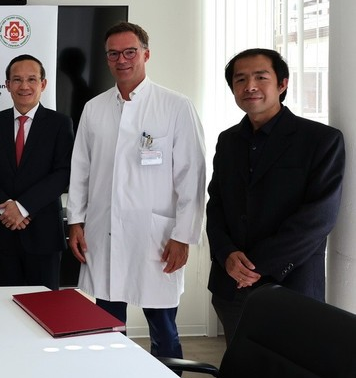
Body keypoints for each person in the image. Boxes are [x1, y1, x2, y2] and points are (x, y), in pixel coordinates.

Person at [66, 22, 205, 360]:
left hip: (156, 236)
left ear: (146, 54)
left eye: (130, 52)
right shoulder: (94, 108)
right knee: (107, 326)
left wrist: (183, 236)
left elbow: (192, 176)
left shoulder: (175, 105)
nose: (122, 60)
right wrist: (76, 221)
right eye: (113, 54)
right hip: (104, 232)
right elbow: (80, 169)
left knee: (163, 328)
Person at [206, 48, 345, 345]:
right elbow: (215, 205)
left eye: (260, 77)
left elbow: (318, 218)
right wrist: (226, 254)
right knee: (240, 365)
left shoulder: (321, 140)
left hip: (291, 287)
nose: (250, 86)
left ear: (282, 84)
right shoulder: (227, 141)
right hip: (231, 287)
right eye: (240, 79)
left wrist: (255, 266)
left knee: (289, 366)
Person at [0, 54, 74, 290]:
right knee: (3, 304)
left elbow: (63, 173)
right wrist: (6, 208)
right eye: (17, 80)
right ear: (7, 85)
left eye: (31, 79)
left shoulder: (60, 124)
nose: (24, 86)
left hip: (44, 234)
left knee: (45, 306)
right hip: (3, 231)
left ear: (43, 84)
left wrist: (23, 207)